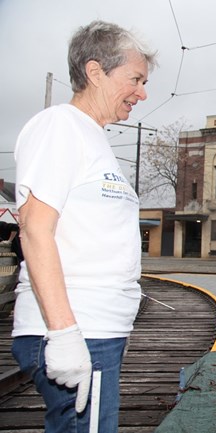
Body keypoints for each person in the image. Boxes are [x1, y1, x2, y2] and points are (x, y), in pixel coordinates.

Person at [11, 20, 157, 432]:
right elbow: (35, 229)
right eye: (135, 79)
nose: (143, 93)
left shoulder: (93, 137)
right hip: (77, 331)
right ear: (95, 72)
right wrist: (63, 334)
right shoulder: (60, 126)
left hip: (95, 331)